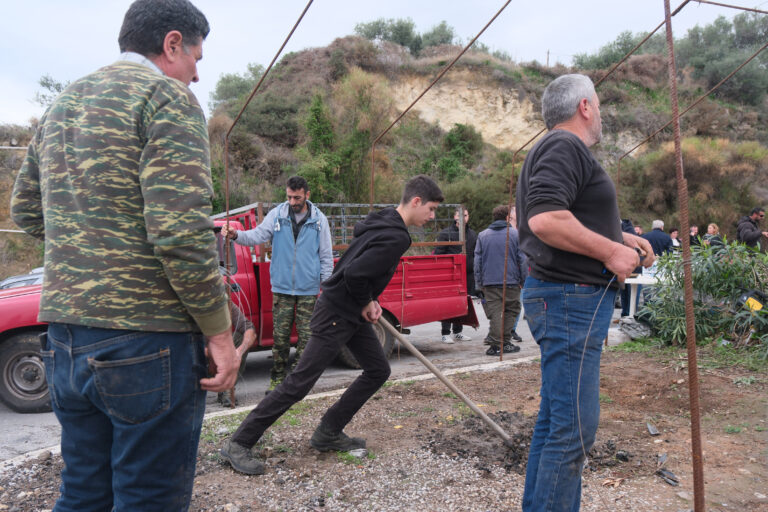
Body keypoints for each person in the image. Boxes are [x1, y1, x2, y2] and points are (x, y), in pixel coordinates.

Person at [10, 1, 238, 509]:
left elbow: (25, 210)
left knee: (84, 491)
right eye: (197, 57)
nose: (197, 75)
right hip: (146, 341)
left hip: (66, 339)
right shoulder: (167, 99)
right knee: (147, 498)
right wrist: (219, 334)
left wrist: (93, 243)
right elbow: (180, 232)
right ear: (173, 43)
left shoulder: (62, 103)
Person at [220, 175, 444, 476]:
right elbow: (355, 275)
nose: (431, 217)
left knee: (378, 370)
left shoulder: (382, 222)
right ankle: (238, 442)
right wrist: (367, 300)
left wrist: (370, 300)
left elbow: (354, 268)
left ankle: (329, 431)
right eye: (430, 209)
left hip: (349, 309)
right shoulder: (397, 236)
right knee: (299, 382)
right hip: (339, 311)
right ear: (416, 201)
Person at [516, 74, 654, 512]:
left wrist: (621, 237)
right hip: (568, 299)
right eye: (599, 104)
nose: (601, 114)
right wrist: (612, 249)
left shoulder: (550, 148)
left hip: (561, 296)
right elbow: (544, 219)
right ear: (585, 106)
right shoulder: (565, 146)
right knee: (574, 429)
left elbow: (562, 214)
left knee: (557, 422)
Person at [221, 176, 333, 391]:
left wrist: (325, 289)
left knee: (307, 341)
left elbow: (326, 257)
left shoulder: (320, 220)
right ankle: (277, 381)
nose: (292, 202)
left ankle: (300, 383)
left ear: (307, 195)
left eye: (297, 197)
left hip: (309, 290)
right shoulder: (277, 215)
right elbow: (256, 236)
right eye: (289, 197)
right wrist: (236, 235)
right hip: (282, 289)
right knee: (280, 341)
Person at [474, 204, 527, 355]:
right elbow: (522, 260)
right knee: (512, 309)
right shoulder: (515, 235)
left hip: (489, 282)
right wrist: (523, 280)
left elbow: (477, 261)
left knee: (495, 313)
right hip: (511, 281)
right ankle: (504, 342)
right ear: (507, 218)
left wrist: (479, 283)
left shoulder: (482, 235)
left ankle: (497, 344)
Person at [434, 206, 477, 343]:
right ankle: (445, 333)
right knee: (448, 304)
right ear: (454, 217)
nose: (463, 218)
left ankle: (458, 331)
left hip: (468, 275)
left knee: (462, 303)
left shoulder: (472, 234)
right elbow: (438, 255)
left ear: (468, 217)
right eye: (460, 215)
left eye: (465, 215)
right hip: (450, 275)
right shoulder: (445, 234)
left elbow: (476, 253)